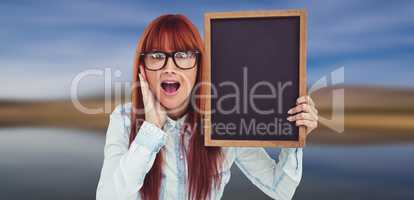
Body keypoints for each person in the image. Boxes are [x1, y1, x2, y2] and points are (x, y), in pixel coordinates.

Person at [96, 14, 318, 200]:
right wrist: (151, 129)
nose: (169, 67)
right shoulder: (124, 119)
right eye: (156, 56)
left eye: (182, 55)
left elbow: (281, 190)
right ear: (142, 68)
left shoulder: (224, 120)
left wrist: (294, 135)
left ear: (199, 65)